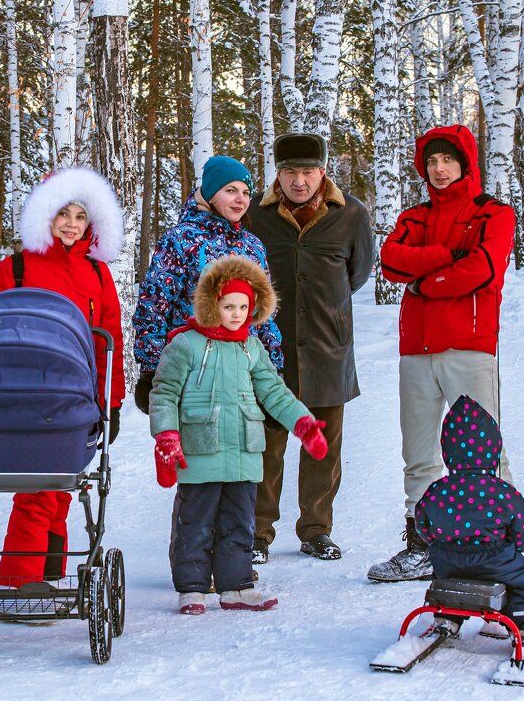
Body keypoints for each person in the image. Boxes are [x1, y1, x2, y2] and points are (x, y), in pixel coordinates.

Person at [368, 124, 516, 583]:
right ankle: (422, 544)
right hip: (416, 349)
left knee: (484, 448)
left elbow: (484, 269)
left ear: (465, 163)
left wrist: (424, 280)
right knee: (419, 452)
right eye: (431, 162)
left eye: (447, 160)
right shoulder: (414, 217)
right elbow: (391, 260)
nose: (439, 169)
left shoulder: (493, 214)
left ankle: (501, 540)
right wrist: (446, 255)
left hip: (469, 347)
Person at [148, 255, 327, 615]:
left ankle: (235, 587)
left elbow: (274, 392)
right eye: (229, 306)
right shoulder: (186, 344)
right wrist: (167, 436)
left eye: (244, 306)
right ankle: (192, 589)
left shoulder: (251, 346)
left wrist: (303, 424)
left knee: (239, 523)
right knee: (194, 523)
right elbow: (164, 392)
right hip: (201, 450)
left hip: (244, 451)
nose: (236, 314)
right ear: (212, 304)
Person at [0, 167, 125, 587]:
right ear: (46, 214)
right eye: (64, 213)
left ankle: (46, 572)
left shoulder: (98, 274)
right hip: (23, 390)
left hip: (77, 393)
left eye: (80, 216)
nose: (71, 224)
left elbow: (110, 340)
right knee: (40, 485)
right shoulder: (18, 268)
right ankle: (20, 581)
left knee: (61, 484)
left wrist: (111, 400)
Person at [248, 132, 374, 564]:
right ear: (277, 175)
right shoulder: (255, 215)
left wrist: (328, 310)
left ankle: (316, 529)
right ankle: (258, 532)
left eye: (307, 171)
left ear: (323, 172)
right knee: (267, 445)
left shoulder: (351, 214)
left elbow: (357, 274)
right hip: (271, 350)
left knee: (323, 448)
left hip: (327, 348)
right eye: (289, 172)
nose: (298, 181)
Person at [133, 155, 283, 412]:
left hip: (242, 373)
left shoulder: (252, 246)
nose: (241, 199)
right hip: (192, 374)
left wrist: (274, 367)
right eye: (231, 190)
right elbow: (154, 306)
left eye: (246, 192)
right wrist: (153, 370)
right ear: (211, 193)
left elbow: (264, 315)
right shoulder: (180, 240)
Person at [414, 395, 524, 644]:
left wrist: (439, 543)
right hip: (496, 560)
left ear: (447, 449)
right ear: (492, 447)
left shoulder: (437, 490)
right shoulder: (500, 491)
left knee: (445, 583)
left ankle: (448, 618)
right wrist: (516, 547)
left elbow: (423, 521)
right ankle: (523, 622)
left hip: (448, 561)